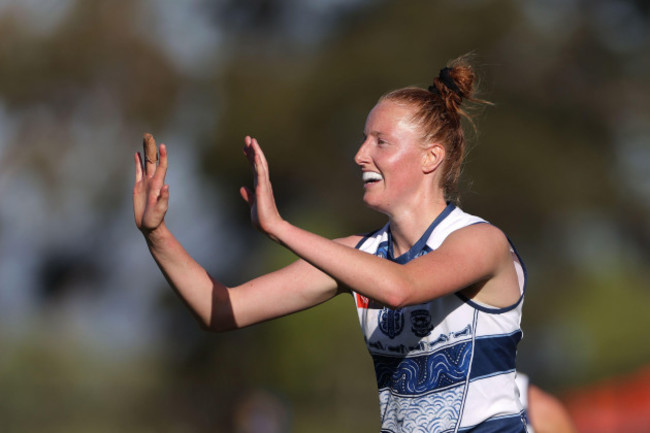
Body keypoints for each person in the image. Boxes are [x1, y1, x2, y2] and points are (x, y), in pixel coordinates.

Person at [133, 55, 528, 432]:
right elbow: (219, 310)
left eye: (381, 142)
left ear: (431, 157)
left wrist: (280, 228)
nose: (360, 155)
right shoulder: (362, 256)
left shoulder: (481, 242)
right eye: (363, 140)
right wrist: (156, 233)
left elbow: (399, 287)